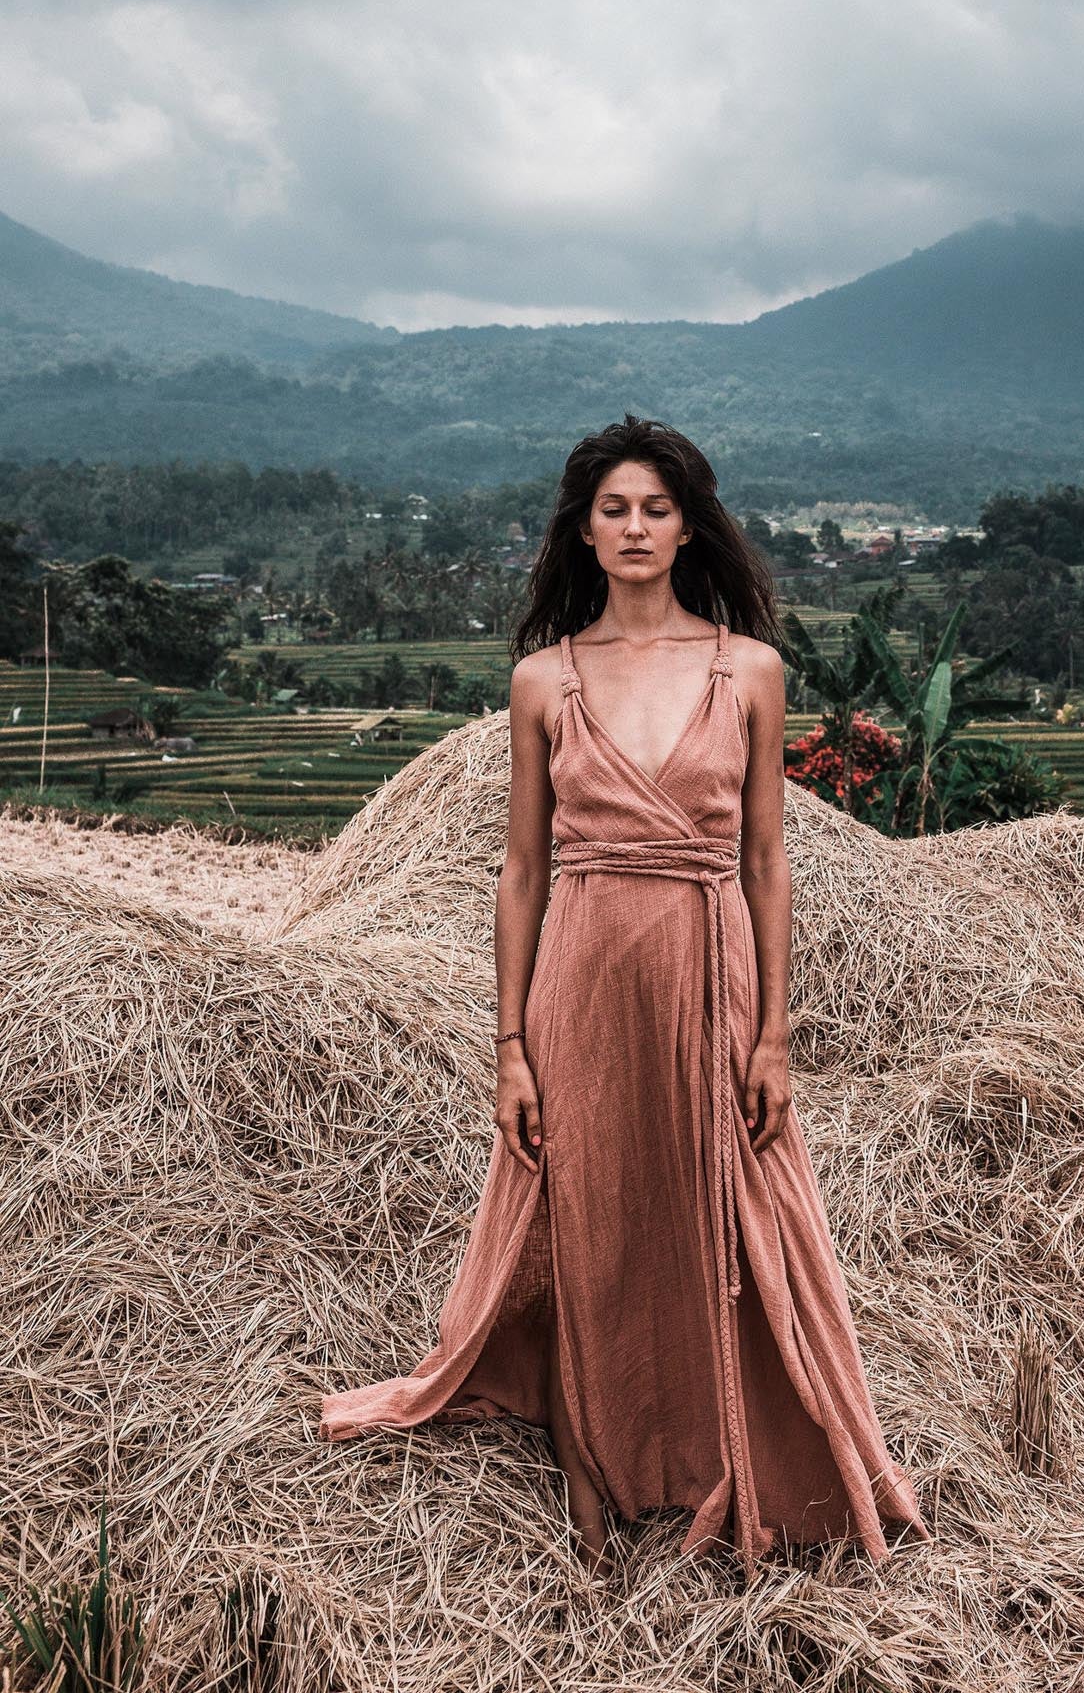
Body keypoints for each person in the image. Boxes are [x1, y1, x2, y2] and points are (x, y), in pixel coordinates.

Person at [318, 413, 931, 1576]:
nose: (636, 526)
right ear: (584, 531)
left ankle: (734, 1451)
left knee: (726, 1205)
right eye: (614, 509)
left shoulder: (746, 667)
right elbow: (521, 870)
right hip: (582, 974)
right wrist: (508, 1042)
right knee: (587, 1208)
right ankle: (594, 1471)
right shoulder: (544, 679)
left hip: (711, 963)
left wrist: (773, 1032)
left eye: (655, 507)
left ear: (688, 523)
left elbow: (765, 862)